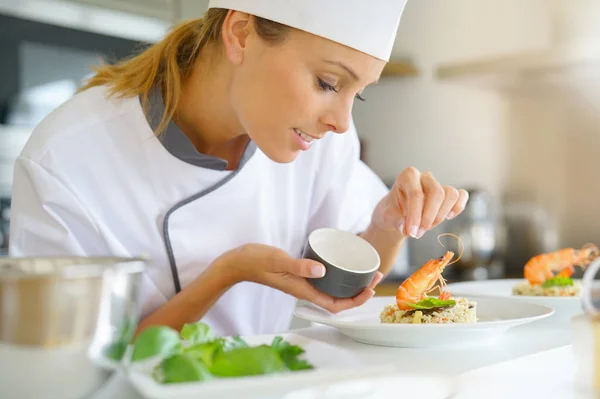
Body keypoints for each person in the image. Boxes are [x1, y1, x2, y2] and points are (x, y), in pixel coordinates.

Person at [9, 0, 469, 336]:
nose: (342, 120)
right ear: (241, 33)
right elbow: (71, 373)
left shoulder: (320, 140)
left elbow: (348, 288)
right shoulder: (67, 158)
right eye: (328, 83)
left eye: (358, 92)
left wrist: (386, 226)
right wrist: (227, 273)